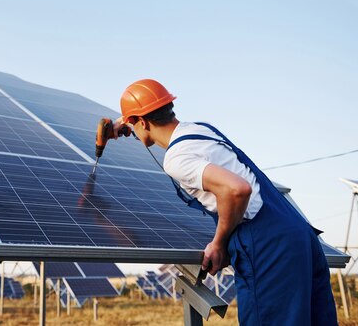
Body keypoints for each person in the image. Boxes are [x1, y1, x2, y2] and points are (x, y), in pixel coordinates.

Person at [113, 79, 338, 325]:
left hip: (266, 245)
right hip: (299, 236)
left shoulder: (176, 158)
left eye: (134, 125)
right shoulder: (201, 130)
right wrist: (125, 124)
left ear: (142, 122)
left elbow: (237, 190)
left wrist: (219, 244)